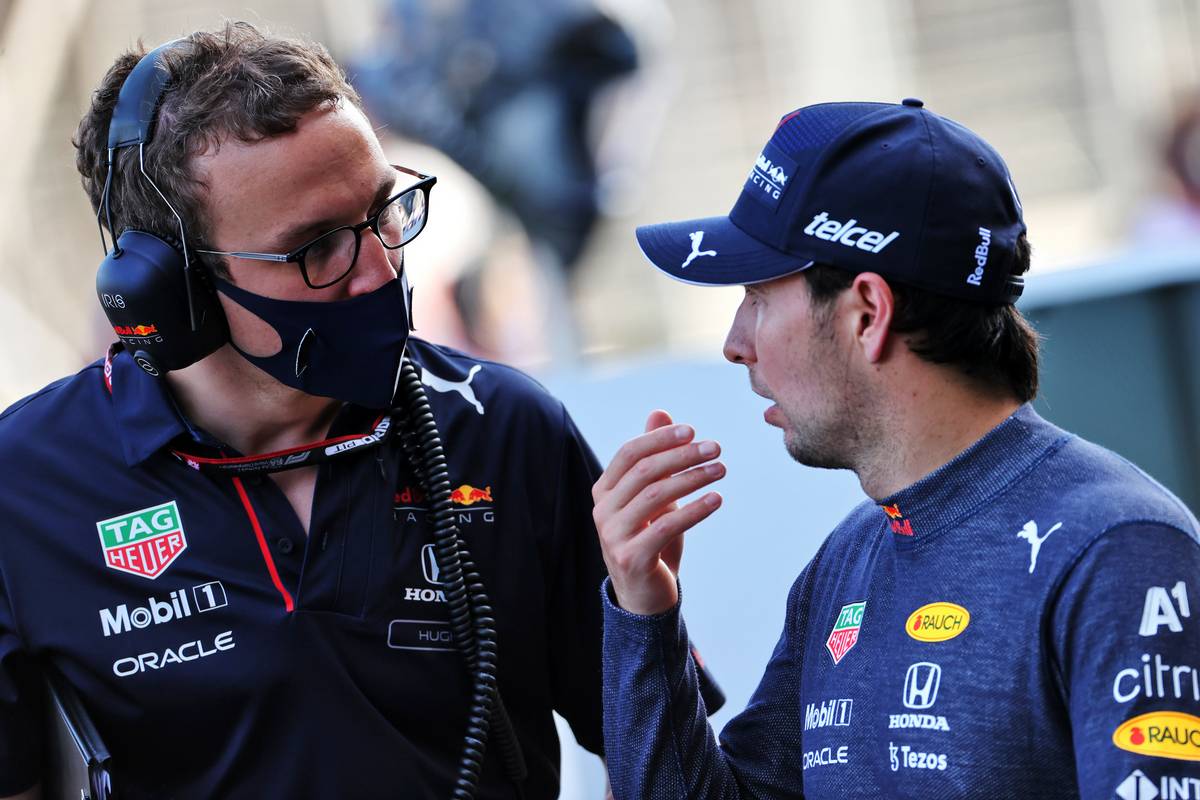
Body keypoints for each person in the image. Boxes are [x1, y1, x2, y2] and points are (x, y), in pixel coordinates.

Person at [0, 22, 609, 800]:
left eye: (386, 211)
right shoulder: (24, 487)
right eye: (317, 248)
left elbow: (650, 751)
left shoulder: (505, 427)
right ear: (171, 291)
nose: (380, 269)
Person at [594, 99, 1200, 798]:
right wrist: (645, 612)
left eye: (758, 295)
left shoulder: (1118, 549)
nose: (736, 343)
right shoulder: (847, 560)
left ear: (868, 313)